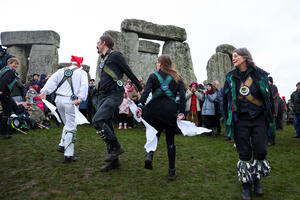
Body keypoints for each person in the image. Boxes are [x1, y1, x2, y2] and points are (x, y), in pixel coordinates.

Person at [223, 48, 274, 200]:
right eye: (233, 56)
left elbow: (268, 97)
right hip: (241, 120)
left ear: (245, 57)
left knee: (260, 150)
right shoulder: (230, 77)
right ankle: (246, 186)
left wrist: (270, 117)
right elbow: (226, 99)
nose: (234, 58)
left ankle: (257, 181)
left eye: (236, 56)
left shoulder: (259, 74)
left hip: (259, 118)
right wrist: (228, 119)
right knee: (244, 153)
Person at [93, 35, 143, 172]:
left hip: (114, 94)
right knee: (107, 124)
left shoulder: (116, 56)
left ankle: (116, 147)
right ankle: (114, 162)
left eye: (98, 42)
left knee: (97, 120)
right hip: (103, 94)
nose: (96, 45)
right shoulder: (103, 59)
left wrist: (140, 87)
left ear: (104, 43)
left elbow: (128, 71)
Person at [136, 54, 185, 180]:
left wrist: (140, 105)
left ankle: (149, 154)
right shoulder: (177, 77)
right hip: (170, 111)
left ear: (161, 64)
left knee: (154, 134)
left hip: (155, 110)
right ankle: (172, 171)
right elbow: (183, 97)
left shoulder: (153, 76)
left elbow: (146, 92)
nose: (157, 65)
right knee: (170, 141)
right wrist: (181, 112)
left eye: (157, 62)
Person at [40, 55, 88, 163]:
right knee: (71, 127)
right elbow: (84, 86)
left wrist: (44, 92)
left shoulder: (61, 70)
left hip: (58, 100)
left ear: (71, 63)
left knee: (67, 124)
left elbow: (52, 81)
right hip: (71, 101)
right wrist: (80, 98)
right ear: (79, 64)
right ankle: (68, 155)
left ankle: (62, 144)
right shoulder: (82, 72)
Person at [0, 58, 22, 138]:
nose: (16, 65)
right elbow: (3, 81)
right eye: (14, 64)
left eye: (17, 64)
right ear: (9, 63)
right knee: (7, 113)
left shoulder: (4, 69)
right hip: (5, 93)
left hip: (5, 93)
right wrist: (1, 91)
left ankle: (5, 130)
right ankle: (4, 132)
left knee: (8, 112)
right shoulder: (10, 72)